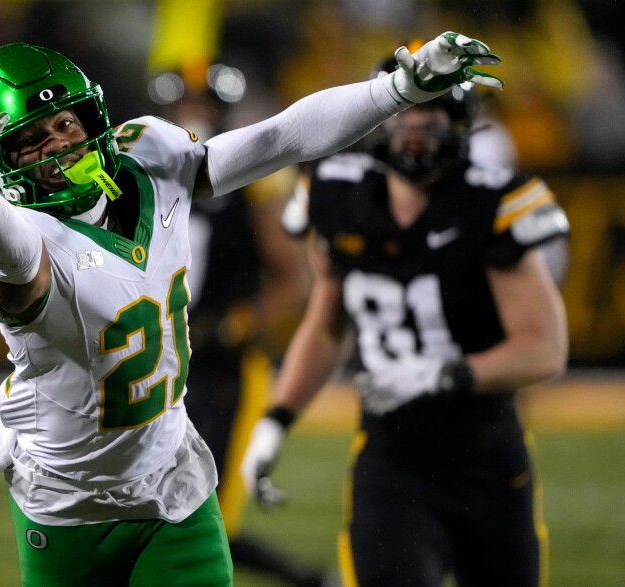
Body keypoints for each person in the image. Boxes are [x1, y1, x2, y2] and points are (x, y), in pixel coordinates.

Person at [0, 32, 503, 587]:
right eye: (32, 140)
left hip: (171, 481)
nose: (60, 144)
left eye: (65, 122)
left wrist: (397, 91)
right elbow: (20, 276)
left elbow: (277, 139)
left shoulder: (149, 156)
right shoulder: (1, 230)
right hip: (65, 501)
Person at [240, 48, 569, 587]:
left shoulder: (490, 202)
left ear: (460, 124)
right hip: (392, 459)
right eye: (404, 112)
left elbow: (544, 348)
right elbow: (326, 326)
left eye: (433, 114)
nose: (415, 128)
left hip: (485, 456)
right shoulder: (338, 194)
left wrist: (446, 373)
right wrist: (277, 420)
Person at [148, 65, 327, 586]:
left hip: (221, 371)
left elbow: (295, 279)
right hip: (155, 368)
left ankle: (311, 580)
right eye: (183, 108)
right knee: (147, 508)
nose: (192, 119)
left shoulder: (250, 175)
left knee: (207, 516)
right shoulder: (140, 173)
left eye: (202, 107)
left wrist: (238, 323)